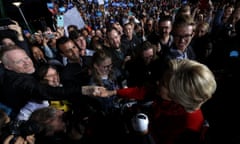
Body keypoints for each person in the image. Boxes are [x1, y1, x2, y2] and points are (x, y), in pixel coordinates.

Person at [99, 59, 217, 144]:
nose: (157, 83)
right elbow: (143, 91)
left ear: (177, 95)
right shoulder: (166, 94)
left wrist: (145, 134)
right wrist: (112, 92)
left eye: (163, 83)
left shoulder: (190, 128)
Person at [0, 45, 105, 120]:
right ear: (8, 67)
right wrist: (83, 90)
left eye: (26, 57)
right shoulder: (16, 82)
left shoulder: (21, 71)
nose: (27, 62)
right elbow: (43, 91)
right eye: (19, 61)